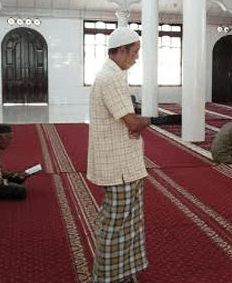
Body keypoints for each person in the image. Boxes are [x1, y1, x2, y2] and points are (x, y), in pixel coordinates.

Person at [87, 26, 152, 283]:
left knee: (128, 223)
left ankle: (122, 273)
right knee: (116, 225)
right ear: (121, 50)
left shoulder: (111, 74)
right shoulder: (111, 78)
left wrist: (137, 121)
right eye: (134, 52)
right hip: (119, 168)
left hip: (123, 164)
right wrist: (146, 120)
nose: (136, 58)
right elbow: (132, 123)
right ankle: (106, 277)